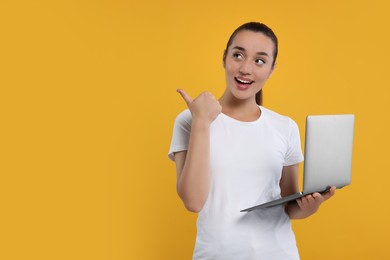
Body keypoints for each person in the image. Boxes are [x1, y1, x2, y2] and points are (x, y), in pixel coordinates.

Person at [168, 22, 336, 260]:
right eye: (238, 55)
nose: (245, 68)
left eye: (259, 61)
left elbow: (290, 206)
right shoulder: (190, 120)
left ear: (271, 69)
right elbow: (193, 201)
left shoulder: (285, 127)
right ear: (224, 58)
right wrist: (202, 121)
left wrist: (310, 207)